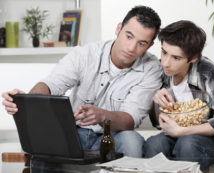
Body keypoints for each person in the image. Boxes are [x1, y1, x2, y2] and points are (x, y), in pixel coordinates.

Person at [2, 5, 162, 158]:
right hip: (72, 134)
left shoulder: (152, 68)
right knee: (42, 137)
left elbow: (130, 120)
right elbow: (52, 83)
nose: (131, 48)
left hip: (113, 138)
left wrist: (102, 116)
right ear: (118, 29)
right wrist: (29, 101)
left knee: (131, 141)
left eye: (141, 43)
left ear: (150, 45)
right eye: (129, 36)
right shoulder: (85, 54)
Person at [143, 20, 214, 171]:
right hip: (176, 135)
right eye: (164, 52)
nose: (165, 63)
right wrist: (157, 103)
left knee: (187, 143)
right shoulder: (160, 72)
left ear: (193, 58)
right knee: (154, 144)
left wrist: (182, 131)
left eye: (176, 58)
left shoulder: (210, 73)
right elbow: (160, 124)